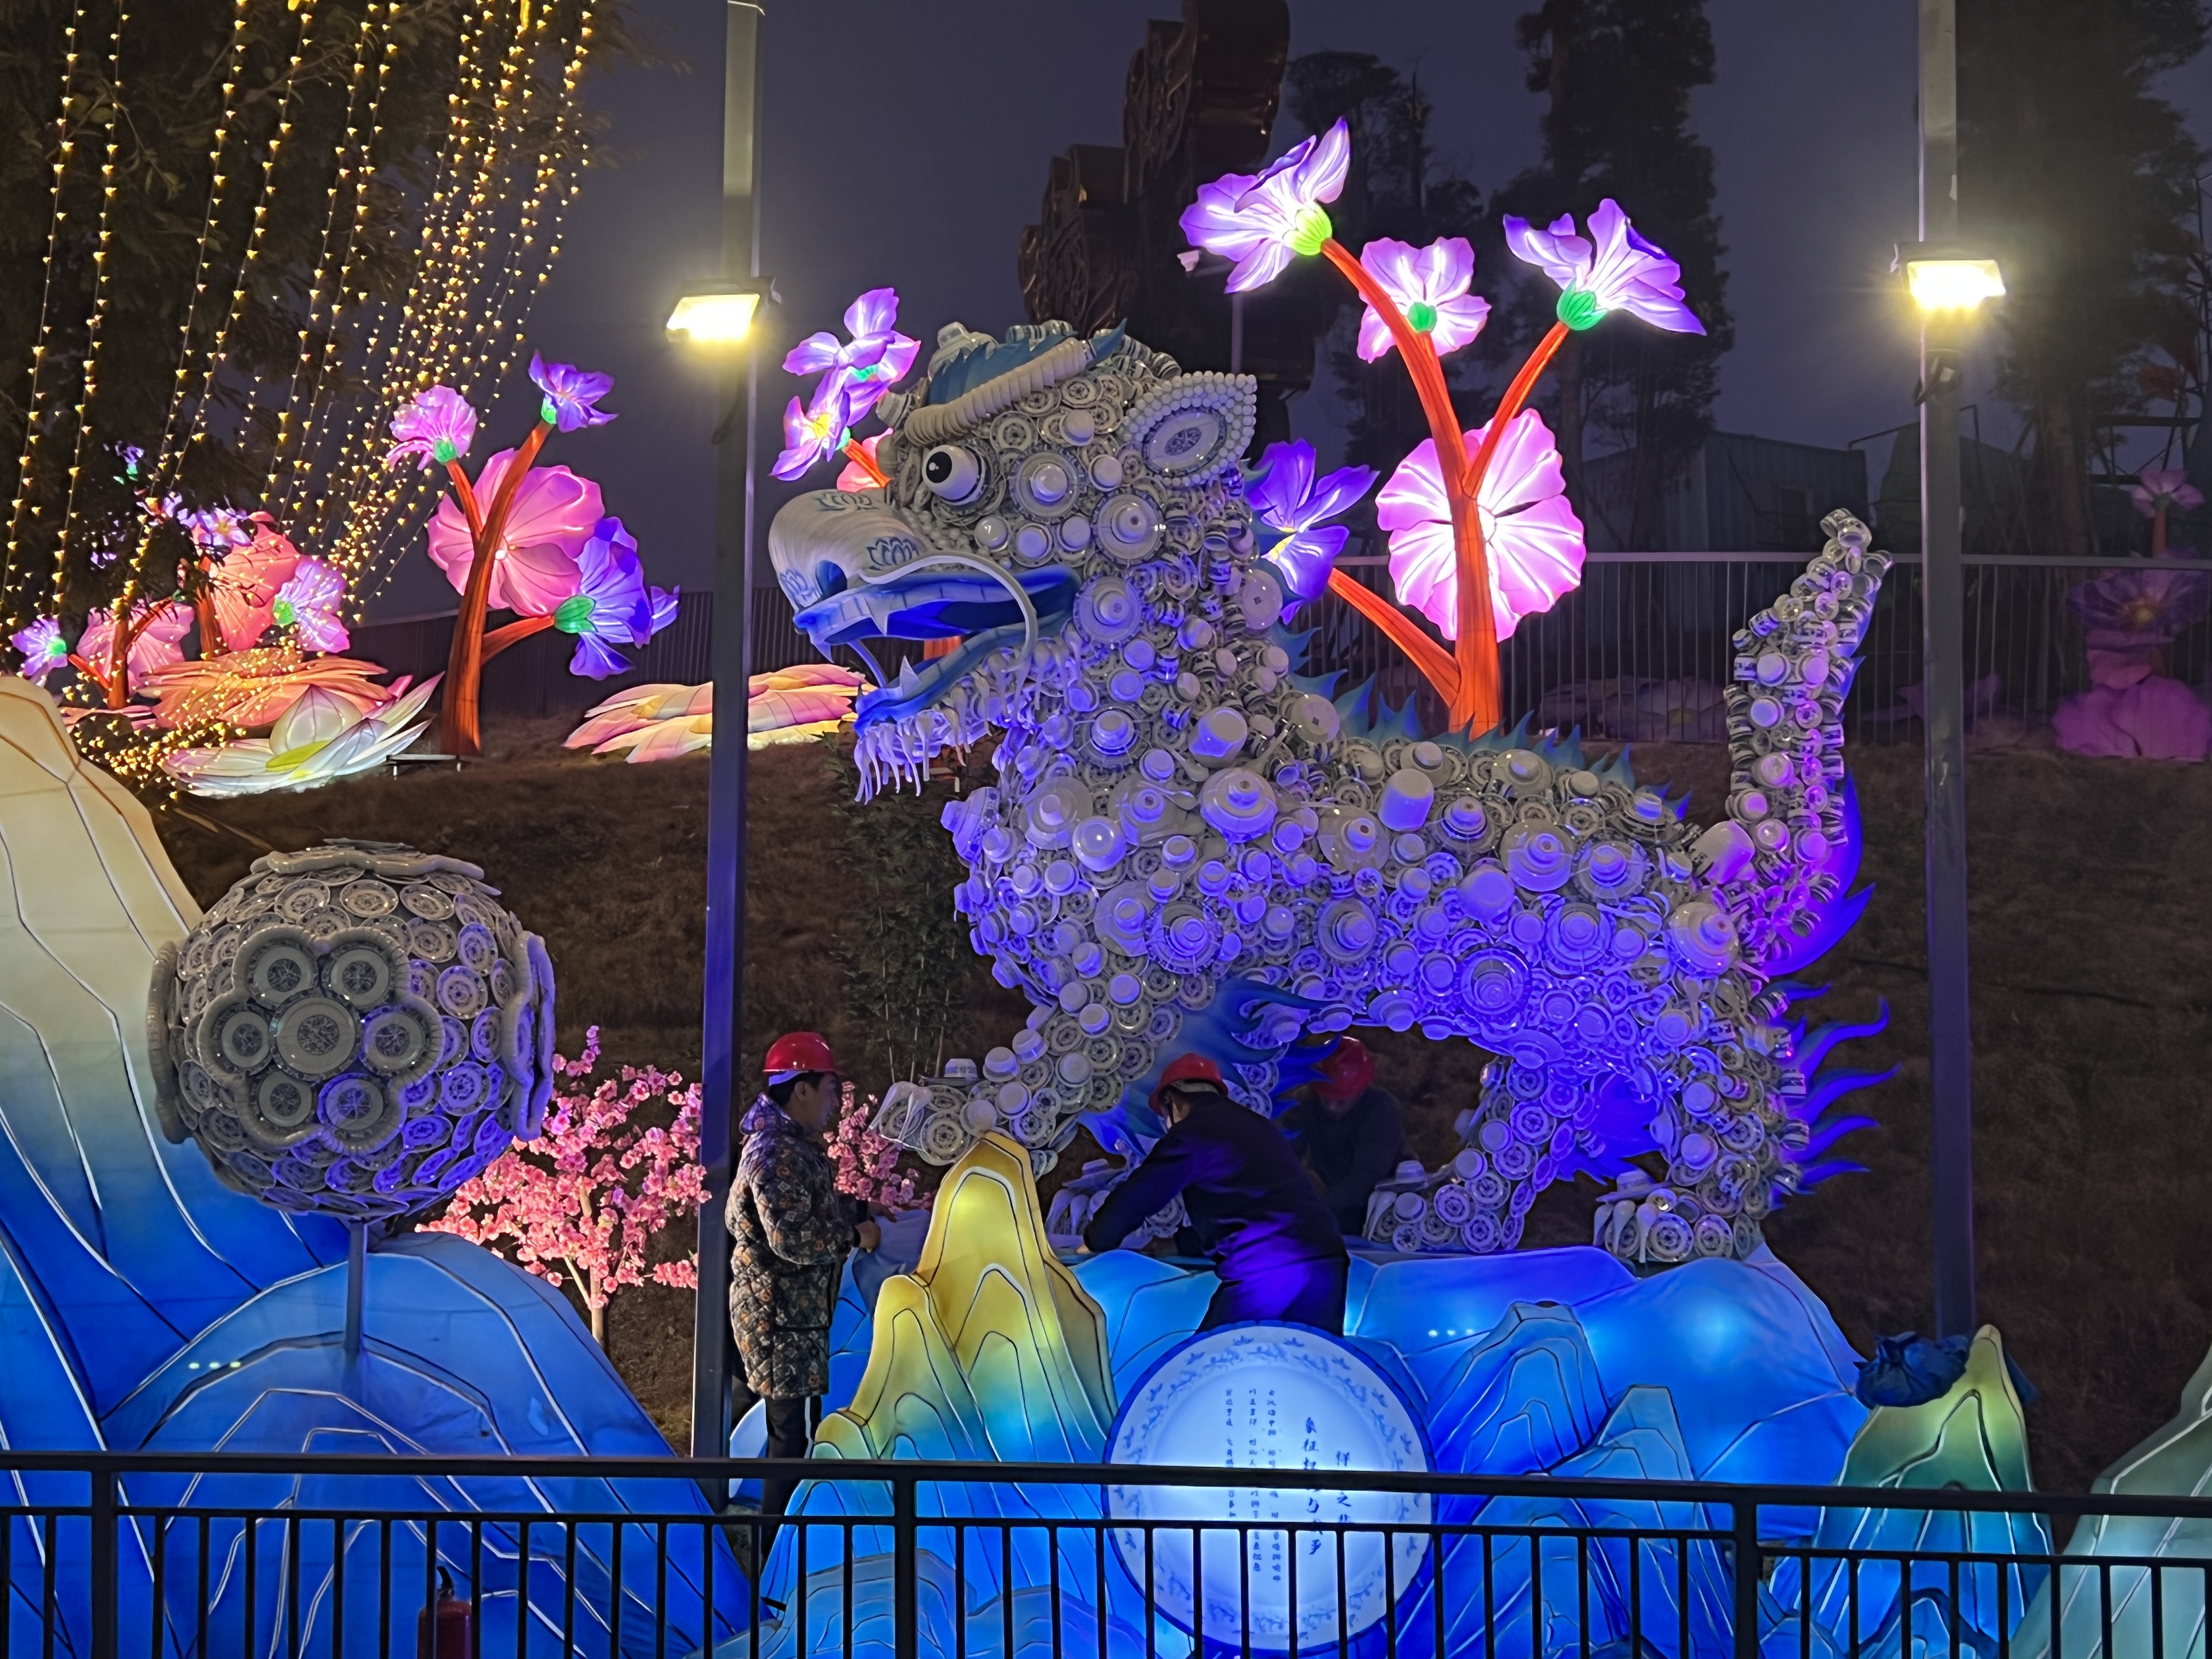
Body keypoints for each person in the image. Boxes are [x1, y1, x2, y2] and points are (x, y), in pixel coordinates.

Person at [727, 1031, 881, 1522]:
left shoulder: (782, 1146)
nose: (835, 1103)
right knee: (788, 1441)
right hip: (781, 1320)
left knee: (790, 1436)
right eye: (830, 1090)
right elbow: (791, 1237)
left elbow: (802, 1208)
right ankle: (776, 1552)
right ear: (802, 1089)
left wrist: (857, 1211)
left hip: (787, 1318)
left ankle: (778, 1546)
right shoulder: (778, 1152)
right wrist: (855, 1236)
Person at [1081, 1053, 1349, 1334]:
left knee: (1211, 1358)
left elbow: (1142, 1193)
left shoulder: (1193, 1132)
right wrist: (1181, 1244)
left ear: (1173, 1101)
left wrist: (1096, 1240)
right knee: (1309, 1356)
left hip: (1267, 1267)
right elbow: (1251, 1204)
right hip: (1326, 1262)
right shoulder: (1257, 1126)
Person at [1282, 1037, 1412, 1235]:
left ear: (1361, 1091)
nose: (1332, 1107)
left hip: (1387, 1204)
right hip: (1334, 1194)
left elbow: (1367, 1176)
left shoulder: (1382, 1110)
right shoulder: (1305, 1102)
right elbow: (1284, 1157)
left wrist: (1316, 1209)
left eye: (1341, 1101)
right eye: (1326, 1098)